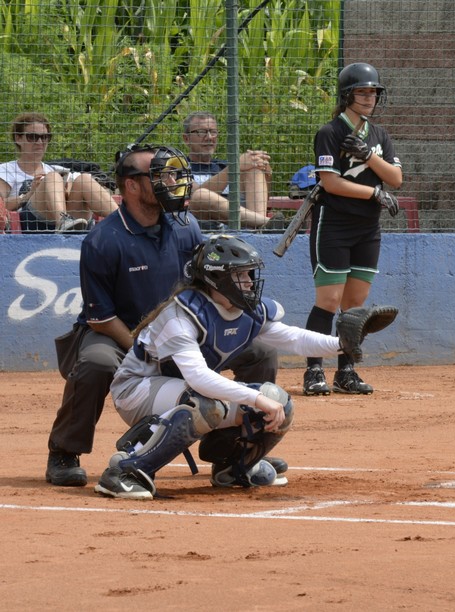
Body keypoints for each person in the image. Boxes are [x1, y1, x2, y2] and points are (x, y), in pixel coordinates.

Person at [44, 144, 279, 488]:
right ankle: (65, 451)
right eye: (159, 176)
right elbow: (100, 318)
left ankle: (233, 450)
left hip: (181, 329)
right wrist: (152, 351)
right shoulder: (103, 240)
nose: (170, 181)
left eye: (170, 174)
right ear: (132, 186)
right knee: (96, 363)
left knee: (261, 350)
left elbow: (203, 288)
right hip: (117, 333)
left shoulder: (186, 228)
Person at [94, 235, 376, 499]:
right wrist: (255, 398)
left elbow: (294, 338)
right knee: (208, 403)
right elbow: (199, 378)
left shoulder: (243, 310)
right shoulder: (181, 317)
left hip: (178, 389)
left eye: (249, 274)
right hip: (136, 390)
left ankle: (233, 467)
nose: (250, 282)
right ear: (217, 279)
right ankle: (128, 468)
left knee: (281, 403)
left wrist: (342, 344)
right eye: (240, 275)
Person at [301, 62, 403, 396]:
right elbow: (330, 183)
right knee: (328, 301)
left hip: (367, 228)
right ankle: (314, 370)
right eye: (362, 91)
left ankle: (346, 371)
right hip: (335, 224)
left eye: (373, 92)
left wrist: (370, 158)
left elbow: (395, 178)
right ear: (347, 95)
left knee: (355, 305)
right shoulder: (330, 132)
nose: (369, 97)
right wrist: (374, 192)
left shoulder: (379, 135)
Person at [0, 112, 118, 232]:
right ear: (18, 138)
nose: (40, 142)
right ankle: (62, 221)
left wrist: (67, 191)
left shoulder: (55, 169)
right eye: (33, 137)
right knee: (53, 177)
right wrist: (28, 195)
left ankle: (124, 220)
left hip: (72, 223)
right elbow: (1, 205)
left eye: (45, 137)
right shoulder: (6, 170)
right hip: (30, 224)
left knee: (84, 179)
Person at [181, 111, 282, 230]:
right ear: (186, 138)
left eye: (213, 132)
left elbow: (262, 196)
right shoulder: (180, 168)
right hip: (202, 230)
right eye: (201, 132)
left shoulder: (224, 166)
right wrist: (235, 167)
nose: (209, 137)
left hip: (242, 231)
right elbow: (195, 200)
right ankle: (267, 223)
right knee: (200, 195)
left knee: (254, 169)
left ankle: (260, 229)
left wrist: (265, 173)